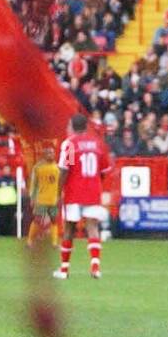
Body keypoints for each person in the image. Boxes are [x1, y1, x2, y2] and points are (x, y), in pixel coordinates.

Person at [55, 115, 113, 280]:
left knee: (69, 229)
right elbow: (103, 172)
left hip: (74, 191)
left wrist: (58, 192)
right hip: (92, 191)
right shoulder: (97, 143)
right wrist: (95, 184)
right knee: (92, 227)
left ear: (72, 126)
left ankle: (64, 270)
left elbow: (65, 169)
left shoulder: (70, 144)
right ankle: (95, 267)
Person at [27, 145, 61, 248]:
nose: (52, 155)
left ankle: (54, 243)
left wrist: (60, 196)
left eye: (53, 153)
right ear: (44, 155)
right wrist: (32, 197)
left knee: (54, 220)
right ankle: (30, 241)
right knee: (37, 220)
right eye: (49, 153)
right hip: (41, 199)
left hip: (53, 199)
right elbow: (34, 184)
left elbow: (60, 184)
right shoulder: (38, 168)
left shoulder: (57, 168)